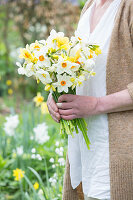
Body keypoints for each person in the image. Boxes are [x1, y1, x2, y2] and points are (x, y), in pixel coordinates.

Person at [47, 0, 133, 199]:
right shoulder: (89, 7)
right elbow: (83, 71)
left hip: (120, 156)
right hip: (86, 154)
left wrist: (96, 104)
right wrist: (58, 91)